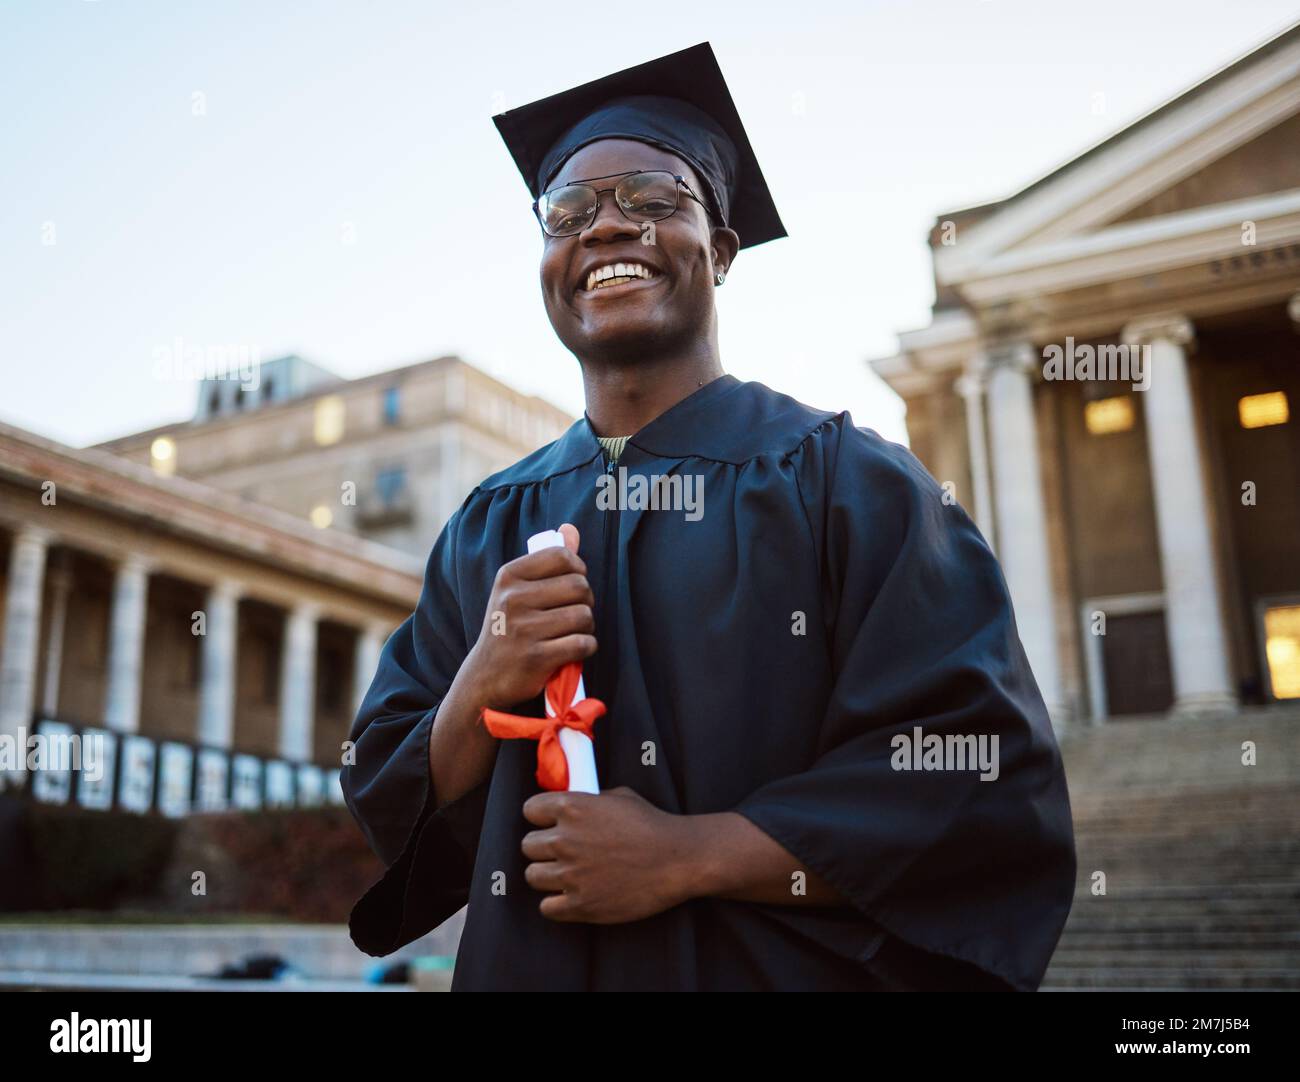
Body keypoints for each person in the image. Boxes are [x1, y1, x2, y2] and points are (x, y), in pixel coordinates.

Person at [341, 43, 1076, 991]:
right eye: (567, 213)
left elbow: (980, 781)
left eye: (654, 198)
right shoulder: (489, 525)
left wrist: (688, 855)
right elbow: (388, 791)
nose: (606, 228)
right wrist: (483, 680)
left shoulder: (853, 486)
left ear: (720, 251)